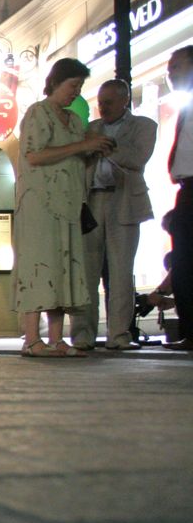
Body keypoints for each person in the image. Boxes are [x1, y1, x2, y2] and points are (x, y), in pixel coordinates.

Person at [14, 58, 113, 358]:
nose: (75, 92)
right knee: (39, 264)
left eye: (80, 87)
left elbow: (75, 159)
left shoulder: (73, 120)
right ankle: (32, 338)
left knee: (63, 265)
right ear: (56, 82)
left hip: (68, 202)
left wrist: (93, 151)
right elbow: (34, 155)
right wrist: (82, 146)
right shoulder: (37, 113)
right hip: (40, 202)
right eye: (72, 85)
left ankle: (57, 338)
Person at [72, 79, 158, 351]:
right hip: (92, 201)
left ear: (125, 100)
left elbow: (138, 158)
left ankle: (118, 334)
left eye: (109, 102)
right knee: (86, 270)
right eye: (100, 102)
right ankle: (82, 334)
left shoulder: (144, 126)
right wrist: (89, 146)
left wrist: (108, 146)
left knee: (122, 271)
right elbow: (77, 160)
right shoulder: (90, 129)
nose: (103, 107)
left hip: (124, 202)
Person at [164, 46, 193, 351]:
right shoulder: (186, 106)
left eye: (177, 67)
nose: (170, 73)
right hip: (186, 189)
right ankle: (189, 330)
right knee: (183, 260)